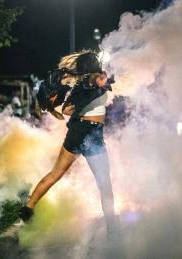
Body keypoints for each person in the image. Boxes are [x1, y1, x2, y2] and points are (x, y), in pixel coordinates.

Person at [19, 50, 119, 235]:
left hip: (77, 133)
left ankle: (28, 208)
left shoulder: (82, 83)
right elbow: (91, 87)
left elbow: (66, 110)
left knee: (55, 174)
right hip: (91, 134)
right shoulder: (92, 79)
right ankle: (113, 230)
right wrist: (99, 84)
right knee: (105, 185)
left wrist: (81, 102)